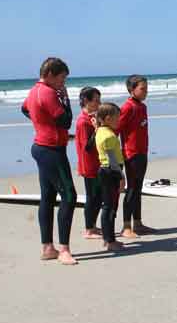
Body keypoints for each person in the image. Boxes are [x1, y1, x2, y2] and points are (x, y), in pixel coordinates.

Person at [21, 57, 77, 265]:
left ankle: (47, 248)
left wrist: (44, 125)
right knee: (69, 196)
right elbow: (66, 120)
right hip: (52, 151)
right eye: (62, 78)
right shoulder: (49, 92)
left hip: (41, 146)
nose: (64, 83)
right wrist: (66, 99)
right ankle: (64, 250)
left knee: (48, 197)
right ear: (51, 74)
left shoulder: (34, 90)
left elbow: (25, 109)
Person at [118, 74, 151, 238]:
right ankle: (126, 226)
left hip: (142, 152)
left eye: (146, 88)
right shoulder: (127, 107)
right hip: (130, 154)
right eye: (142, 89)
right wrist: (117, 159)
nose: (146, 91)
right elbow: (115, 130)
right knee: (130, 189)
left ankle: (138, 223)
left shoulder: (142, 107)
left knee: (138, 189)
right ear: (132, 90)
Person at [96, 103, 126, 251]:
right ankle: (109, 241)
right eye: (117, 117)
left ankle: (108, 238)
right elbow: (113, 160)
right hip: (111, 171)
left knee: (108, 206)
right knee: (110, 207)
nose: (119, 120)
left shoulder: (100, 131)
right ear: (107, 118)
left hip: (106, 170)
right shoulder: (108, 135)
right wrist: (121, 177)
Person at [75, 87, 103, 239]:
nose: (99, 103)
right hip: (89, 165)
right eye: (96, 100)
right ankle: (88, 229)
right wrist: (98, 129)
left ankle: (92, 225)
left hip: (97, 162)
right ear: (86, 101)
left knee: (98, 196)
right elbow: (88, 146)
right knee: (92, 197)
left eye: (100, 100)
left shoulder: (91, 118)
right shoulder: (83, 121)